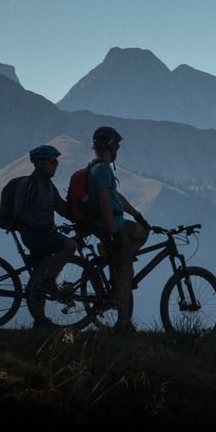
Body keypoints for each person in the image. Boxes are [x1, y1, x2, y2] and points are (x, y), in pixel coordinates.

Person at [88, 126, 149, 332]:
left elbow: (117, 199)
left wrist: (138, 216)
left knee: (142, 231)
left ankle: (120, 256)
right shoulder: (103, 169)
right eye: (117, 146)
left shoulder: (97, 168)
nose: (118, 151)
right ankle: (123, 323)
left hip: (117, 224)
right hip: (114, 226)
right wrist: (113, 233)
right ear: (111, 146)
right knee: (125, 272)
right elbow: (106, 203)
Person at [16, 144, 77, 327]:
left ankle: (39, 319)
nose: (56, 164)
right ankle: (49, 281)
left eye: (56, 161)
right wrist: (38, 224)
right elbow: (20, 211)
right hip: (34, 235)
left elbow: (61, 208)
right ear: (40, 163)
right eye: (52, 161)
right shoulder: (28, 184)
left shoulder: (49, 186)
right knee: (70, 246)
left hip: (43, 233)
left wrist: (81, 217)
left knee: (39, 274)